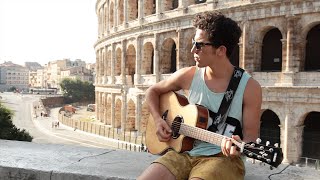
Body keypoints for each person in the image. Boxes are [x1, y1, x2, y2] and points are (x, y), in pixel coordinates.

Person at [138, 11, 262, 180]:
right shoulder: (189, 75)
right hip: (183, 153)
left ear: (221, 50)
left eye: (199, 45)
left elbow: (251, 138)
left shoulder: (250, 88)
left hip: (223, 160)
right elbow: (153, 91)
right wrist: (159, 120)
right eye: (193, 42)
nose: (192, 50)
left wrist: (239, 146)